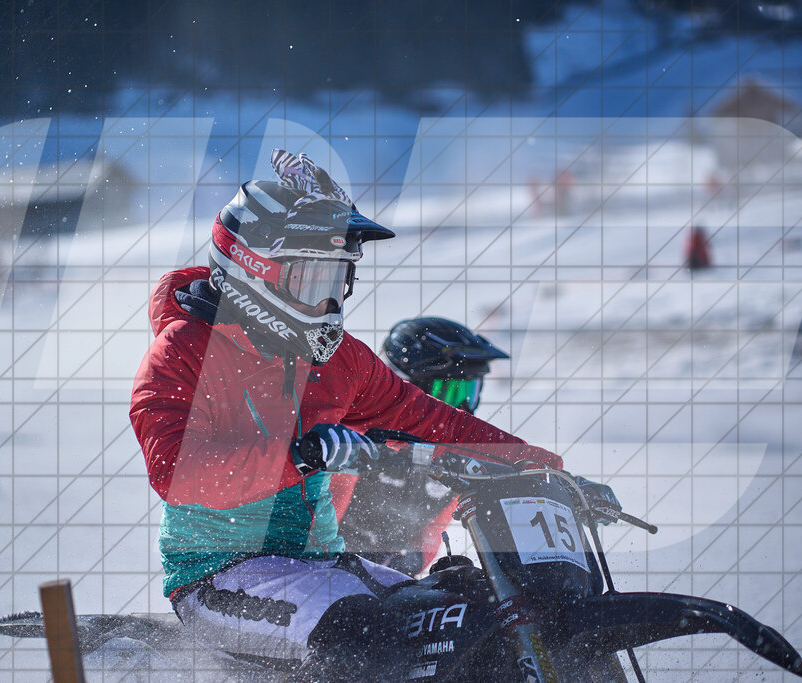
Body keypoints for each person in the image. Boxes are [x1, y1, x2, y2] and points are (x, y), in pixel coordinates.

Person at [129, 149, 617, 675]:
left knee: (471, 620)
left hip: (326, 566)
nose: (327, 302)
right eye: (309, 282)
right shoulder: (184, 351)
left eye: (335, 280)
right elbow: (178, 473)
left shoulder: (340, 362)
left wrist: (543, 470)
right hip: (218, 577)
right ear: (253, 272)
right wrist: (301, 455)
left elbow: (436, 421)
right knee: (360, 634)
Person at [330, 317, 509, 576]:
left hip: (389, 582)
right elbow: (316, 531)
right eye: (450, 394)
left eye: (469, 392)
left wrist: (410, 563)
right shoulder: (350, 441)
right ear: (406, 389)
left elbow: (433, 530)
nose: (462, 411)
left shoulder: (456, 460)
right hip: (328, 578)